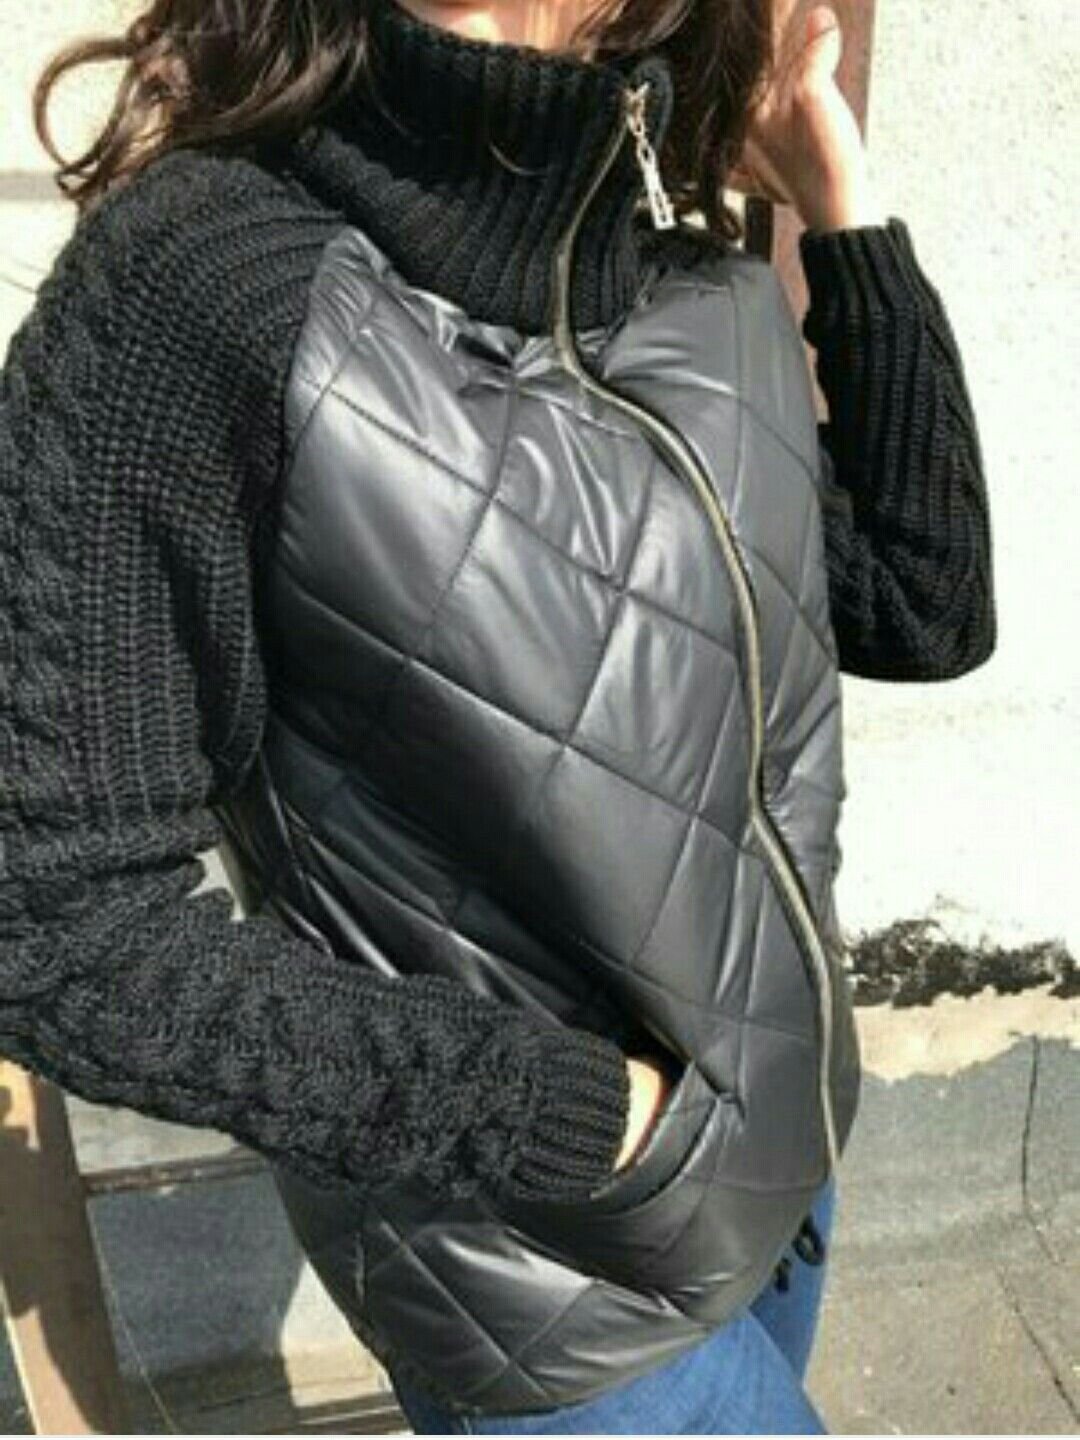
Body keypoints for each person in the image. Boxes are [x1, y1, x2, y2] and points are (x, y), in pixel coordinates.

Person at [0, 0, 994, 1431]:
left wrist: (837, 203)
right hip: (547, 1282)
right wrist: (584, 1120)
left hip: (781, 1158)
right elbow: (51, 920)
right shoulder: (199, 284)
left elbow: (924, 602)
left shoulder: (678, 275)